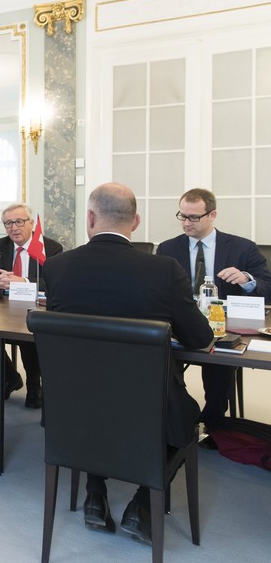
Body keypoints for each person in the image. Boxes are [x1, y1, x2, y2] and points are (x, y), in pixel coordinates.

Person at [43, 182, 213, 545]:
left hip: (74, 402)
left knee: (96, 403)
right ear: (135, 222)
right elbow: (200, 338)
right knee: (185, 412)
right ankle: (142, 505)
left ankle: (94, 493)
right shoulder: (164, 270)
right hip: (145, 404)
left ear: (89, 218)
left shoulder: (57, 268)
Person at [157, 188, 271, 430]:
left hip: (224, 325)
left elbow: (266, 287)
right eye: (182, 216)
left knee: (218, 357)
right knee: (162, 354)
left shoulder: (243, 248)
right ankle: (178, 414)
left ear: (212, 215)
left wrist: (246, 280)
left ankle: (213, 422)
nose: (186, 223)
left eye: (194, 217)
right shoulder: (168, 249)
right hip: (180, 323)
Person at [0, 203, 63, 408]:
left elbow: (54, 282)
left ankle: (34, 386)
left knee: (27, 335)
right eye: (8, 223)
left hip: (33, 308)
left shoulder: (50, 247)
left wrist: (23, 282)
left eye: (19, 222)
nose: (14, 227)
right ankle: (9, 377)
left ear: (31, 223)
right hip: (3, 307)